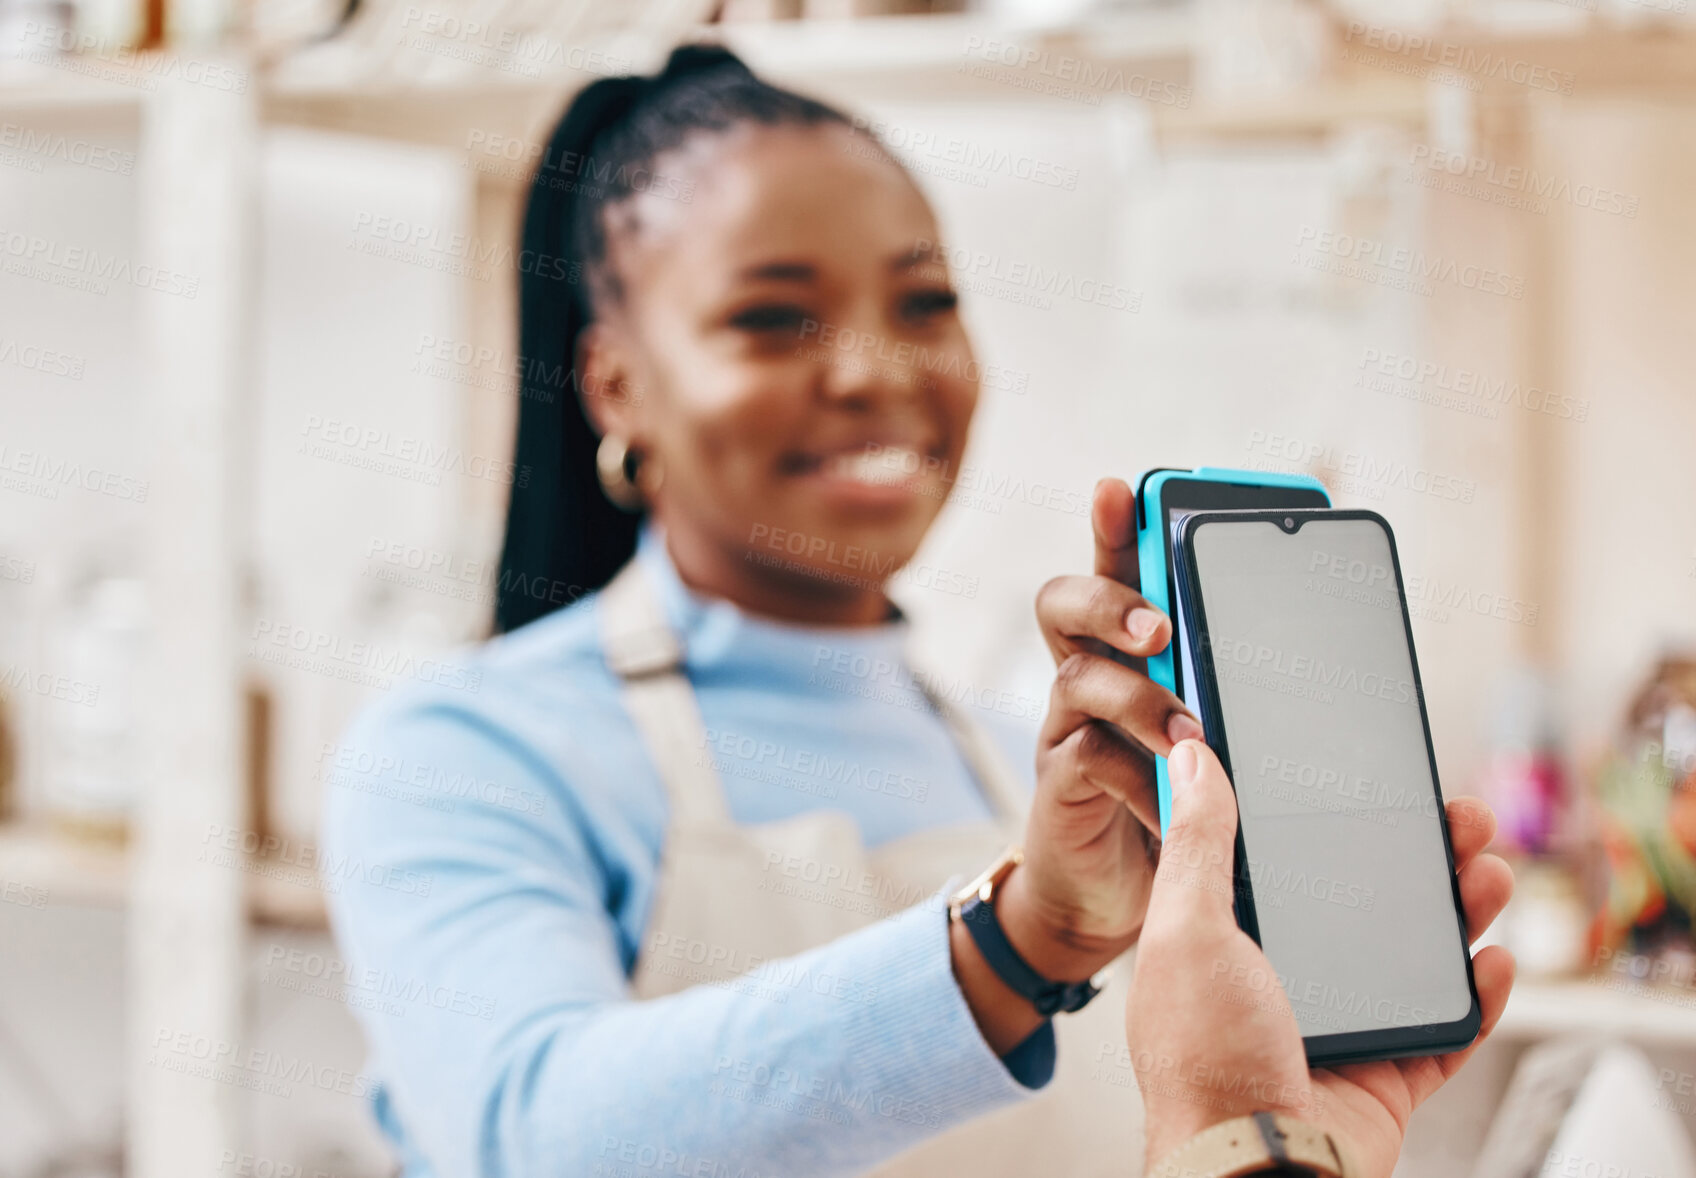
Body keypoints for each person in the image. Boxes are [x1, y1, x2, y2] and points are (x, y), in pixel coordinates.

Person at [322, 44, 1513, 1177]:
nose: (877, 370)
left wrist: (1276, 1140)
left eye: (924, 301)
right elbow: (538, 1135)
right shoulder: (461, 752)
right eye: (774, 317)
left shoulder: (1047, 781)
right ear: (616, 384)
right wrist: (1019, 942)